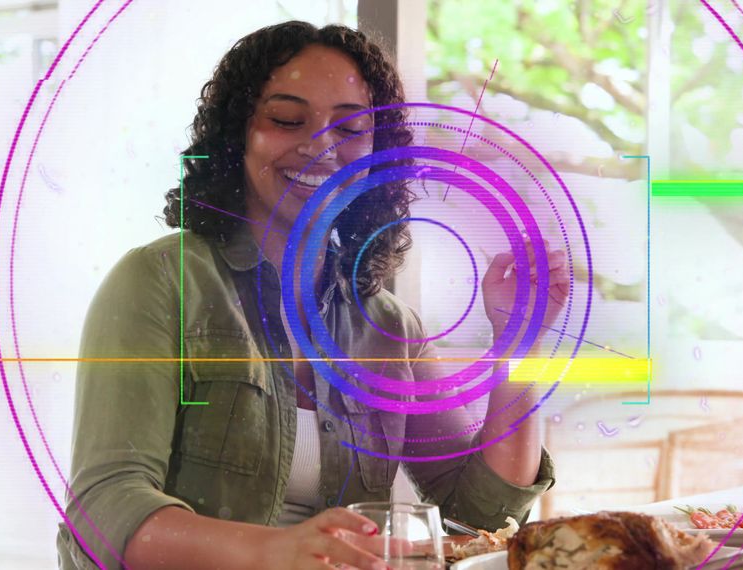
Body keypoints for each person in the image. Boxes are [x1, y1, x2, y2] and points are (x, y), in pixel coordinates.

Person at [56, 20, 570, 570]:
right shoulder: (160, 281)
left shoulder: (389, 328)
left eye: (351, 129)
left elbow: (482, 517)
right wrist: (281, 550)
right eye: (286, 119)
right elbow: (104, 512)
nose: (321, 146)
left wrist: (520, 338)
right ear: (238, 136)